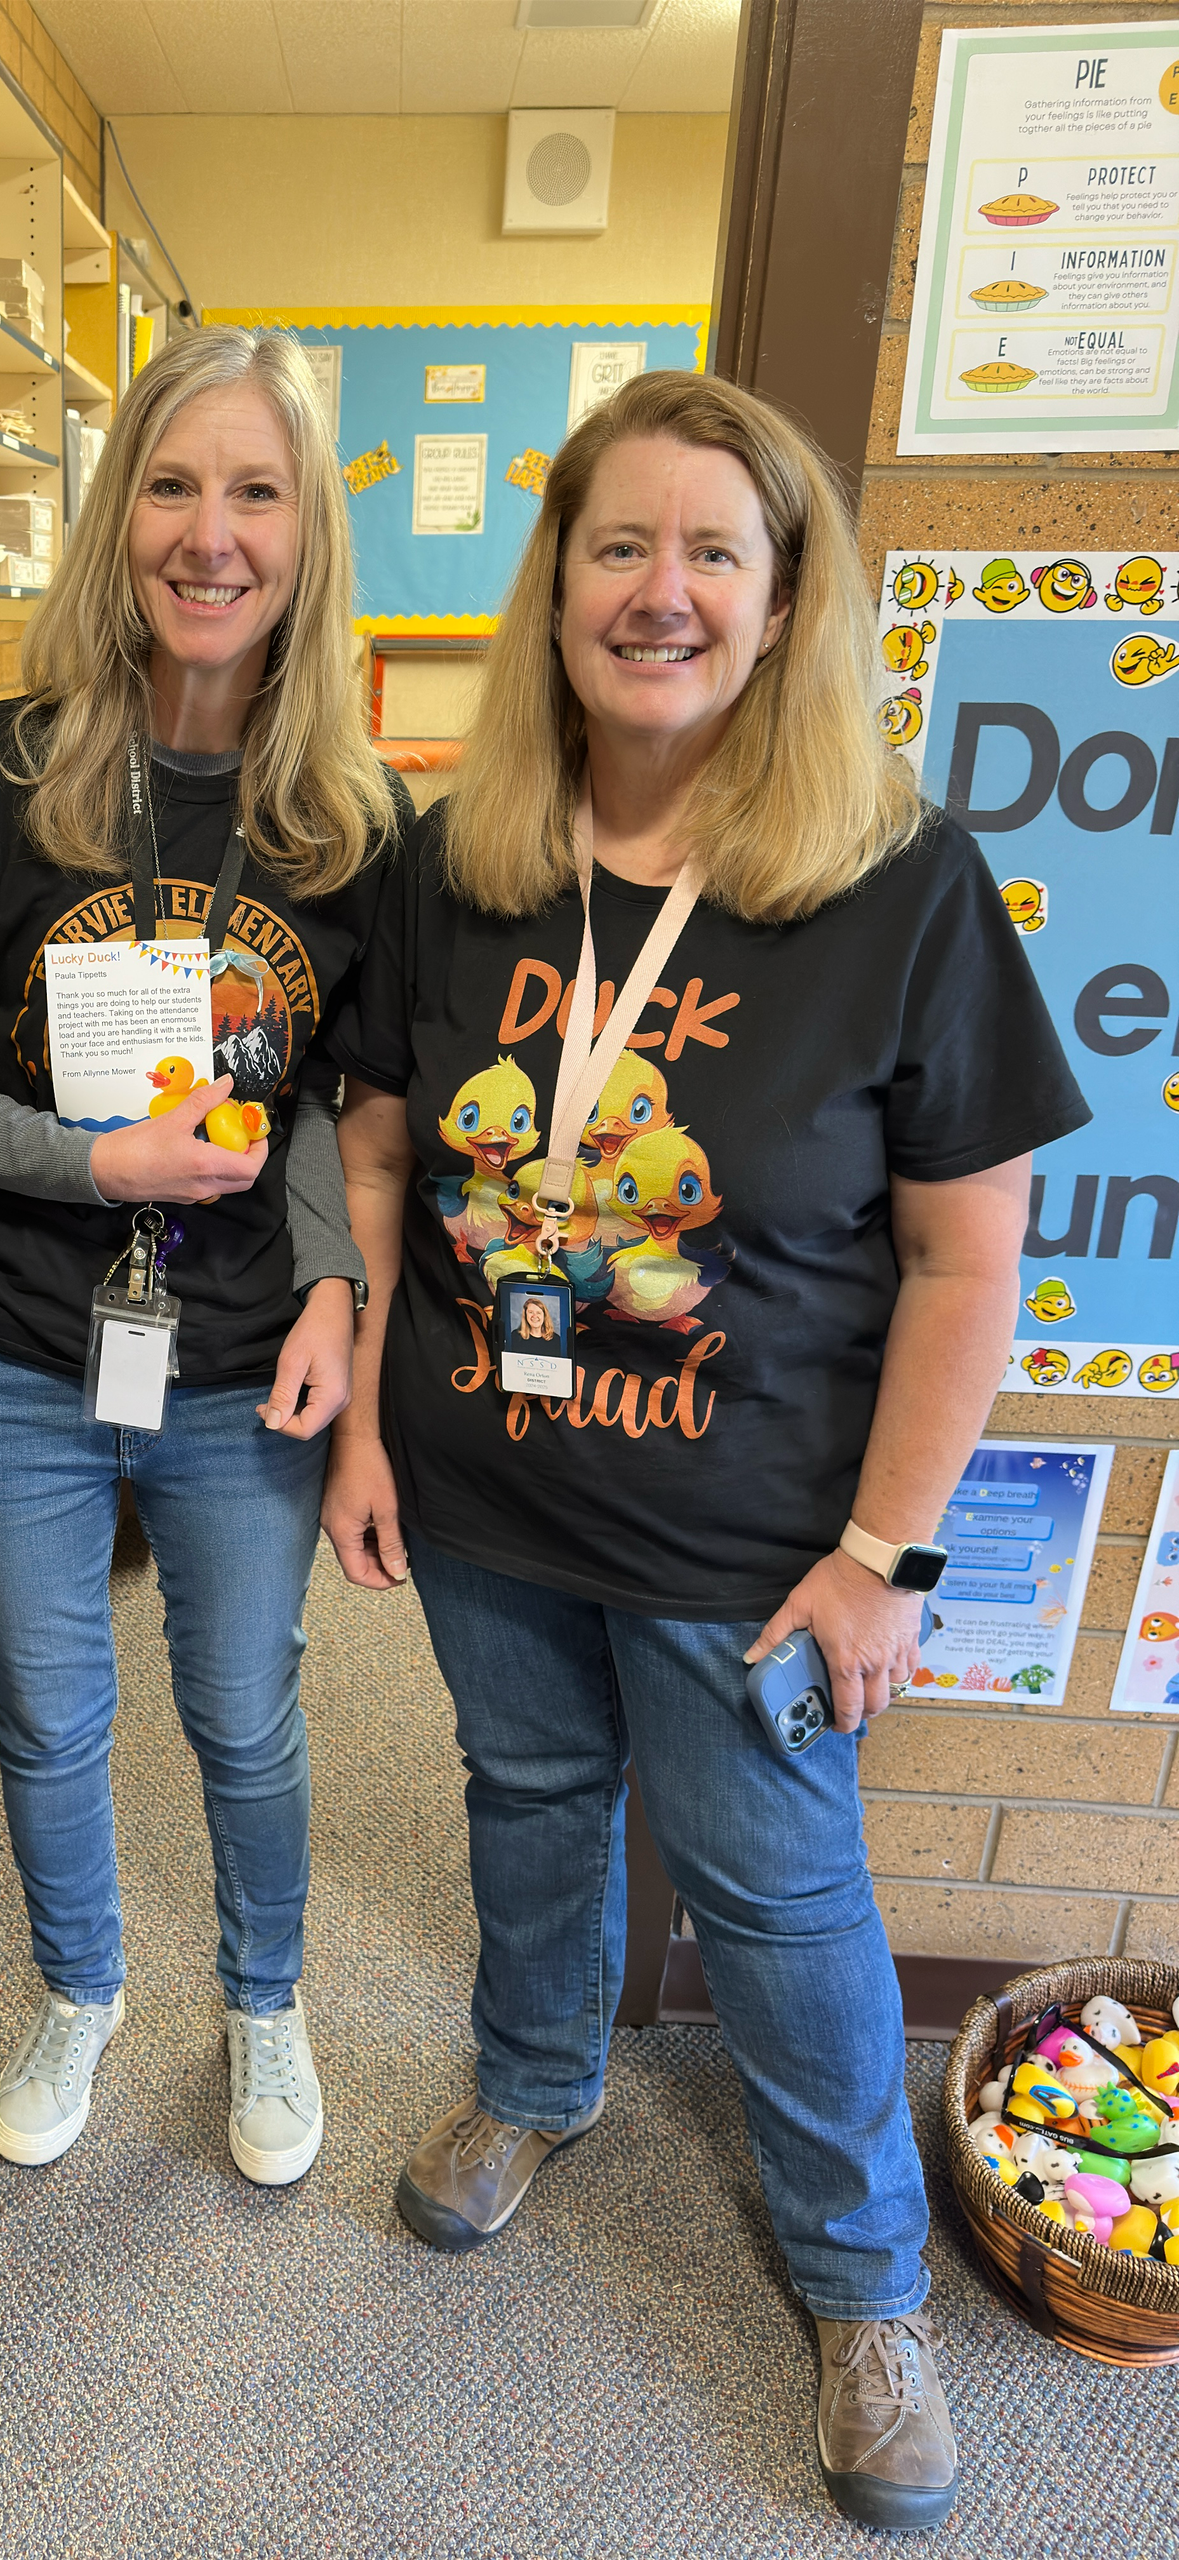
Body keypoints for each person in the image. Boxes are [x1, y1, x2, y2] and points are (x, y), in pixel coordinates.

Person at [321, 370, 1088, 2533]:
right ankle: (538, 2080)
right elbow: (380, 1157)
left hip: (752, 1536)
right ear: (555, 581)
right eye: (618, 546)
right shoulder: (451, 860)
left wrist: (883, 1557)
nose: (659, 593)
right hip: (488, 1487)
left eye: (711, 553)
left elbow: (964, 1266)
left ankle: (861, 2284)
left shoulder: (896, 882)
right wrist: (377, 1419)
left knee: (776, 1890)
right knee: (531, 1798)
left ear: (780, 600)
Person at [0, 326, 405, 2186]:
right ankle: (80, 1988)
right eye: (174, 488)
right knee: (47, 1716)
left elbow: (355, 1112)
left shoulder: (354, 828)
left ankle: (264, 2010)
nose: (212, 534)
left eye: (255, 492)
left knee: (244, 1719)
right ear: (121, 526)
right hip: (8, 1347)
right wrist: (88, 1155)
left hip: (238, 1360)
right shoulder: (1, 768)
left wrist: (342, 1302)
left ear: (304, 536)